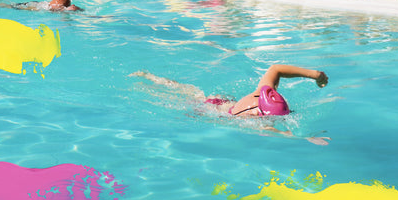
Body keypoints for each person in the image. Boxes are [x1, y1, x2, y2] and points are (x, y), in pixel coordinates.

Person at [131, 64, 329, 142]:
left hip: (224, 103)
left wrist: (316, 75)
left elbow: (275, 68)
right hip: (209, 110)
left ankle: (150, 76)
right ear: (256, 113)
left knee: (188, 90)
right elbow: (279, 133)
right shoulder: (253, 118)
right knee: (180, 98)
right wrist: (305, 139)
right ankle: (149, 79)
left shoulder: (259, 93)